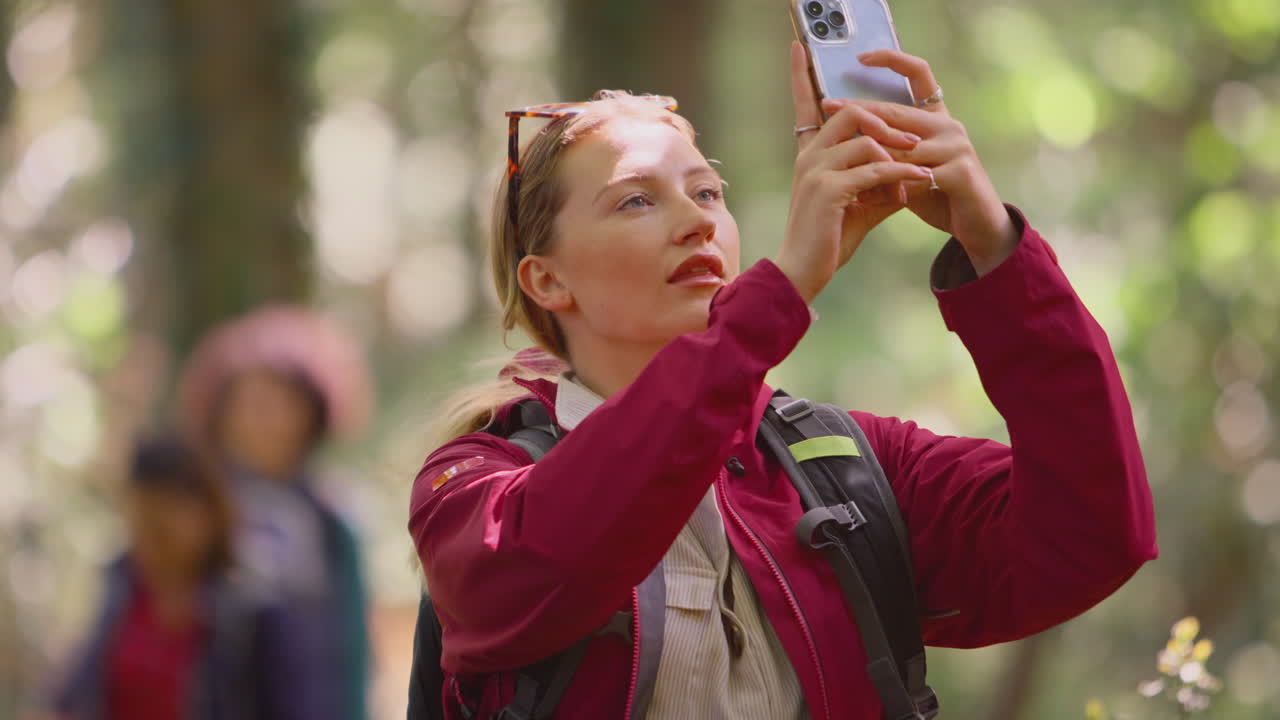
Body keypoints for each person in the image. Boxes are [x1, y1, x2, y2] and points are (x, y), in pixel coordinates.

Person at [407, 44, 1157, 719]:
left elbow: (1092, 533)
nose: (699, 223)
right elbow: (554, 559)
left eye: (707, 193)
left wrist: (990, 244)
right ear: (546, 280)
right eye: (637, 199)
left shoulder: (844, 470)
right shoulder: (477, 482)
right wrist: (782, 290)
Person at [176, 305, 372, 720]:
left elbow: (351, 654)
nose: (271, 422)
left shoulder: (332, 519)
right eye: (253, 405)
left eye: (286, 405)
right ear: (221, 415)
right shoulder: (190, 511)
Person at [46, 433, 259, 720]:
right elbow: (72, 695)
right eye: (141, 523)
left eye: (164, 527)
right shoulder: (120, 588)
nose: (153, 542)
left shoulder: (244, 613)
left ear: (210, 517)